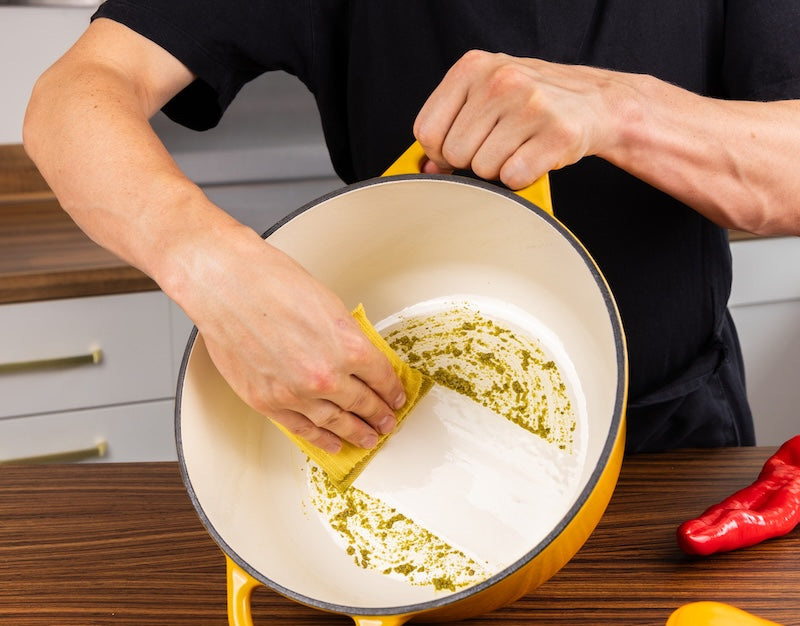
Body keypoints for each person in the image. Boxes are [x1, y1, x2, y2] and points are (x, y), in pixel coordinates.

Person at [23, 2, 800, 454]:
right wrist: (212, 266)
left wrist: (619, 111)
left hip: (672, 438)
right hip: (410, 433)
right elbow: (75, 93)